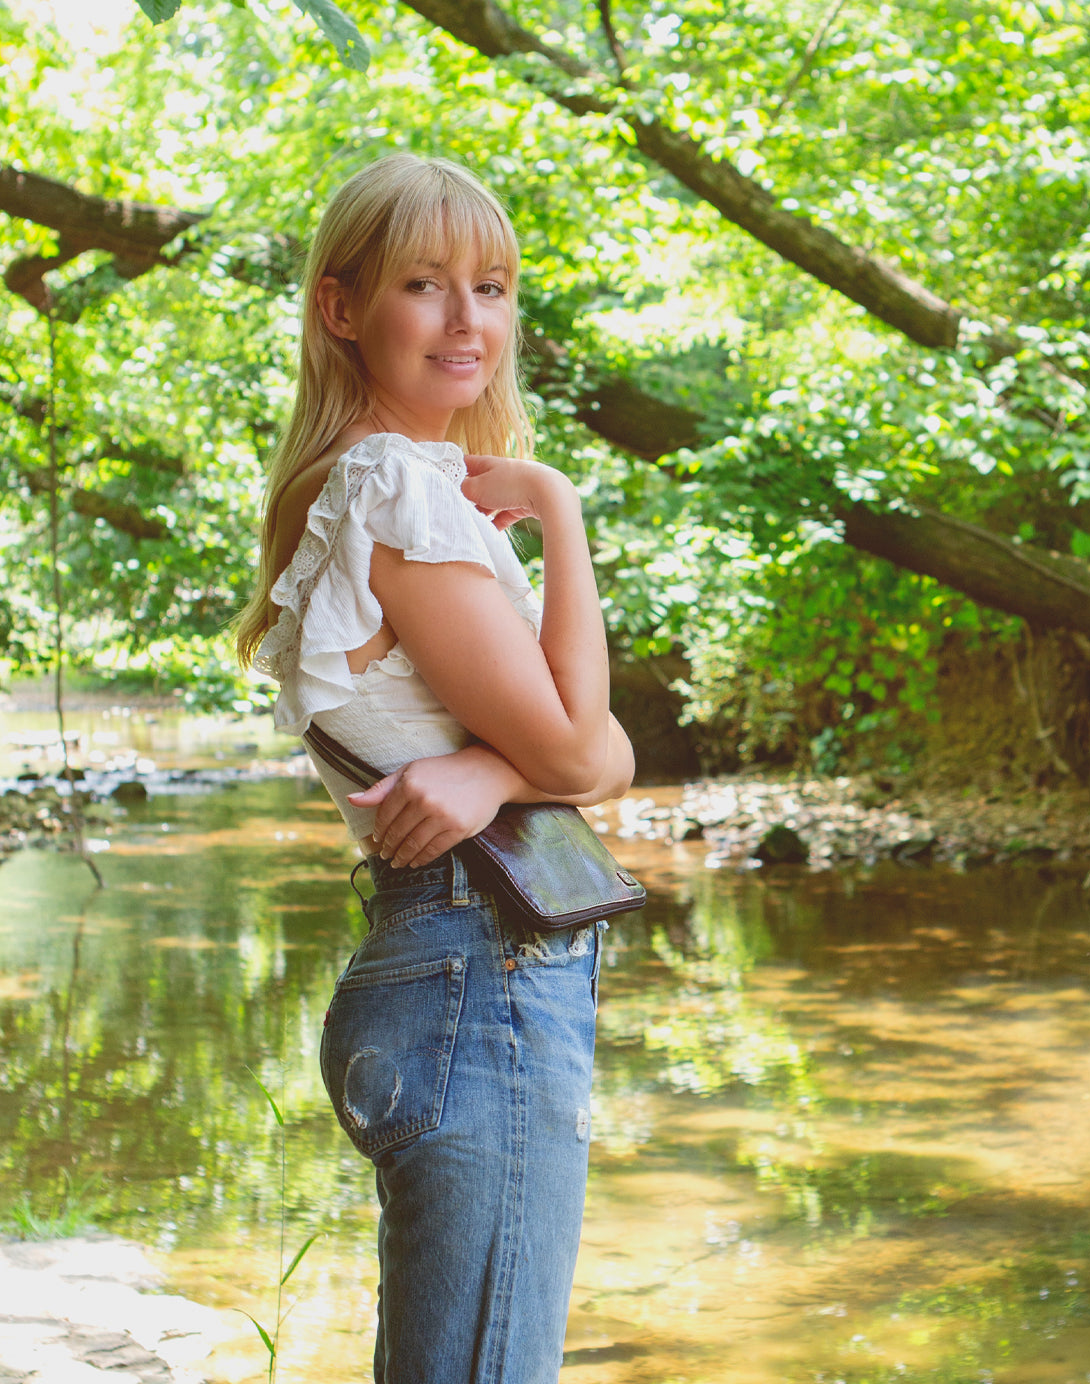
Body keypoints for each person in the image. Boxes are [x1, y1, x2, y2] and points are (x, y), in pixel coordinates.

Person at [234, 152, 635, 1384]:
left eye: (495, 287)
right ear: (342, 307)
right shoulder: (396, 485)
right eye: (426, 283)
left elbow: (593, 757)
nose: (471, 321)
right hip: (485, 971)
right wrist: (560, 508)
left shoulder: (357, 487)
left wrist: (485, 772)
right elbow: (583, 748)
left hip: (440, 968)